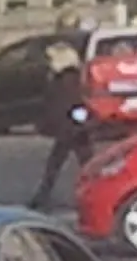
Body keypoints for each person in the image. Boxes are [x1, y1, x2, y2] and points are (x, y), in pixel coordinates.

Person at [26, 36, 90, 212]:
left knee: (60, 163)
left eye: (52, 58)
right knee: (79, 162)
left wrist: (76, 123)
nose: (49, 62)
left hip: (70, 128)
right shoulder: (64, 76)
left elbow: (72, 103)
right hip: (72, 127)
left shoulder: (67, 78)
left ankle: (42, 197)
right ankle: (43, 196)